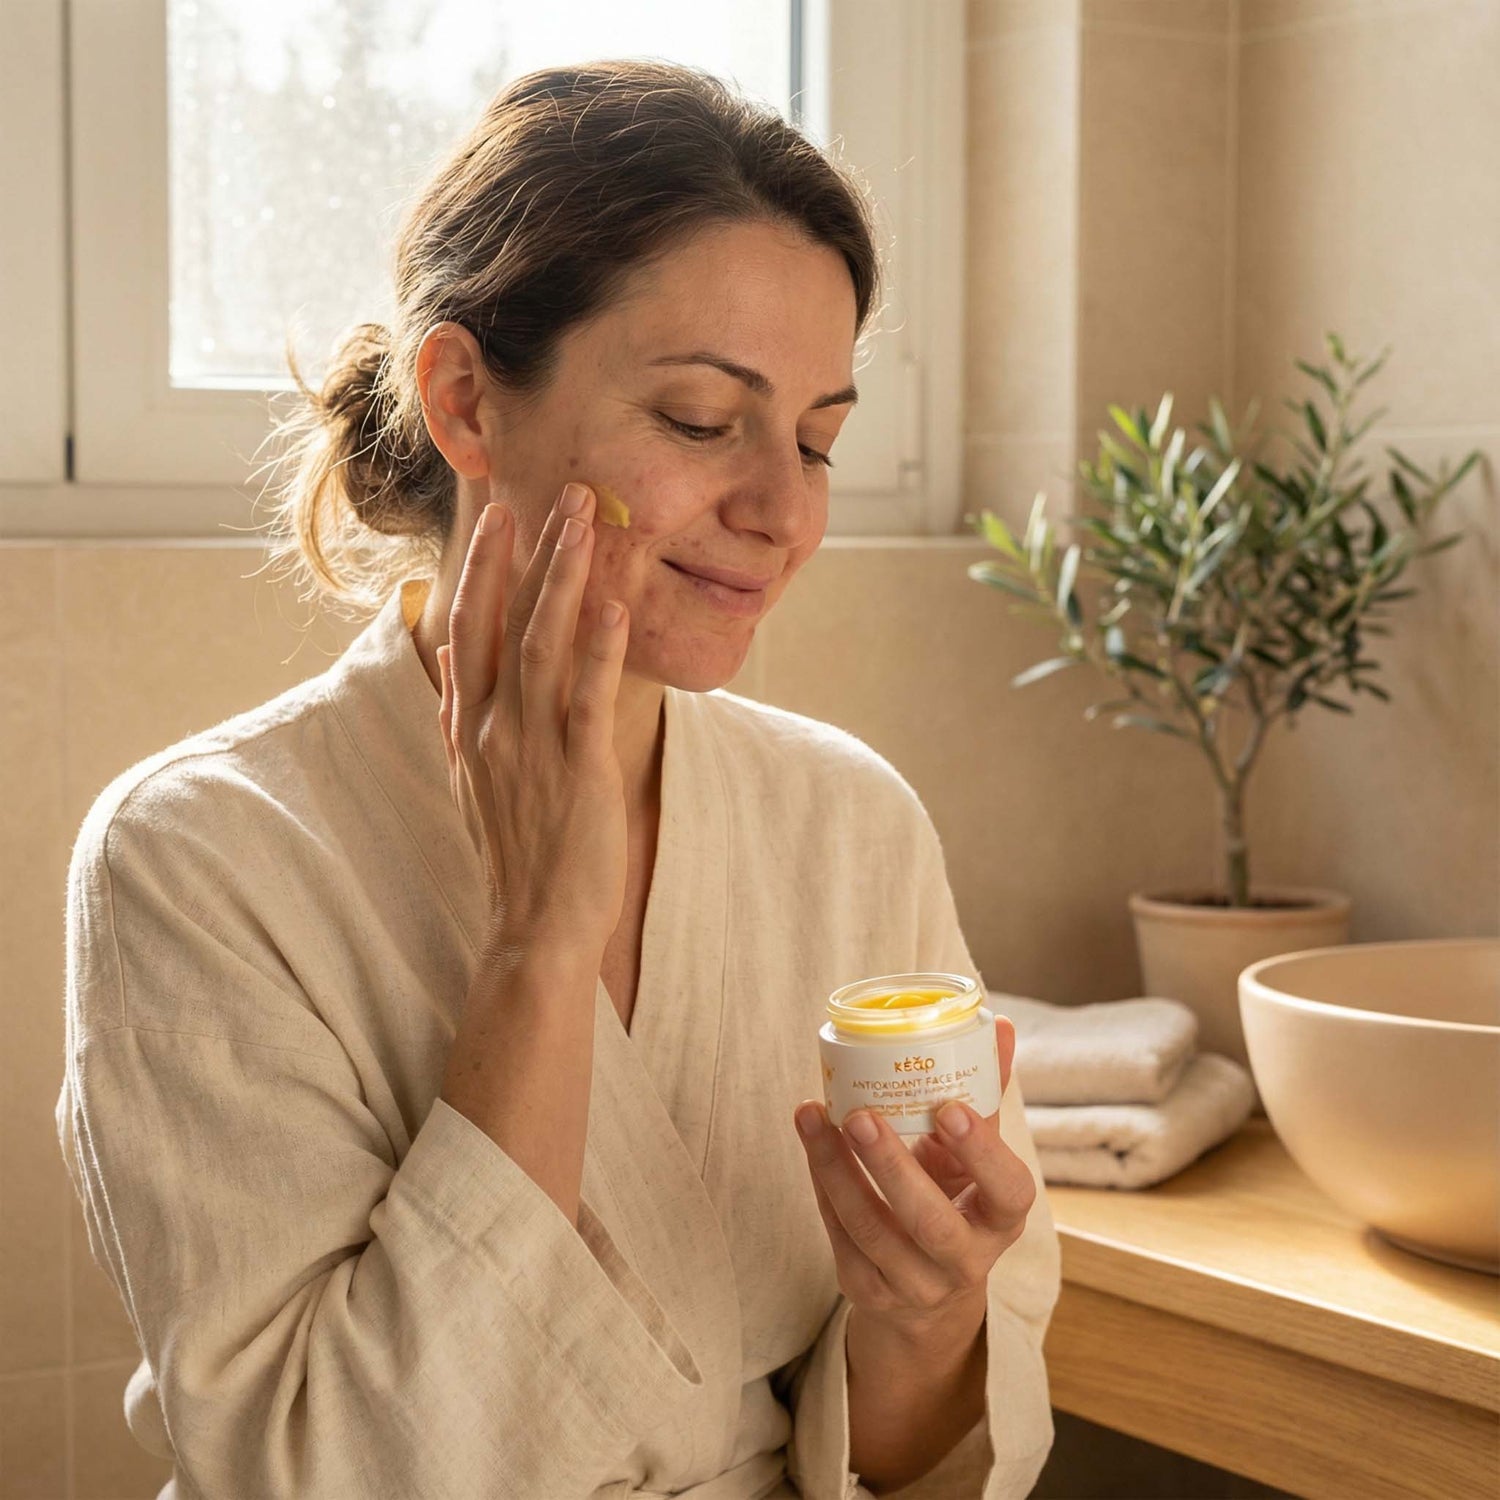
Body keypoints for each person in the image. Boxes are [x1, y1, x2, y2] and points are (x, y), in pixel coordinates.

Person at [56, 59, 1060, 1500]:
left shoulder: (847, 823)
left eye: (820, 437)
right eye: (705, 422)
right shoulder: (202, 857)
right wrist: (539, 942)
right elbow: (319, 1471)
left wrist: (929, 1318)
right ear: (465, 401)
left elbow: (921, 1455)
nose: (782, 510)